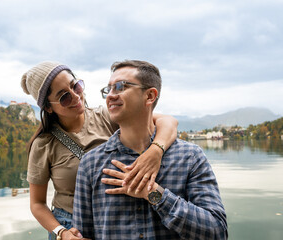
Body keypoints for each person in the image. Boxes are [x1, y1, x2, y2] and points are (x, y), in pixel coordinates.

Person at [20, 61, 178, 239]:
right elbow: (37, 204)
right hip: (71, 226)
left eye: (76, 86)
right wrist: (62, 233)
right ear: (49, 107)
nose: (76, 96)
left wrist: (155, 151)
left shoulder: (106, 117)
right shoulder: (43, 144)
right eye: (64, 96)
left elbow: (168, 121)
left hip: (111, 220)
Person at [73, 60, 228, 239]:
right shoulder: (91, 164)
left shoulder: (190, 157)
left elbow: (217, 232)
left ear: (150, 96)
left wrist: (154, 194)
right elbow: (82, 235)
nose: (110, 96)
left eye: (120, 87)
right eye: (109, 89)